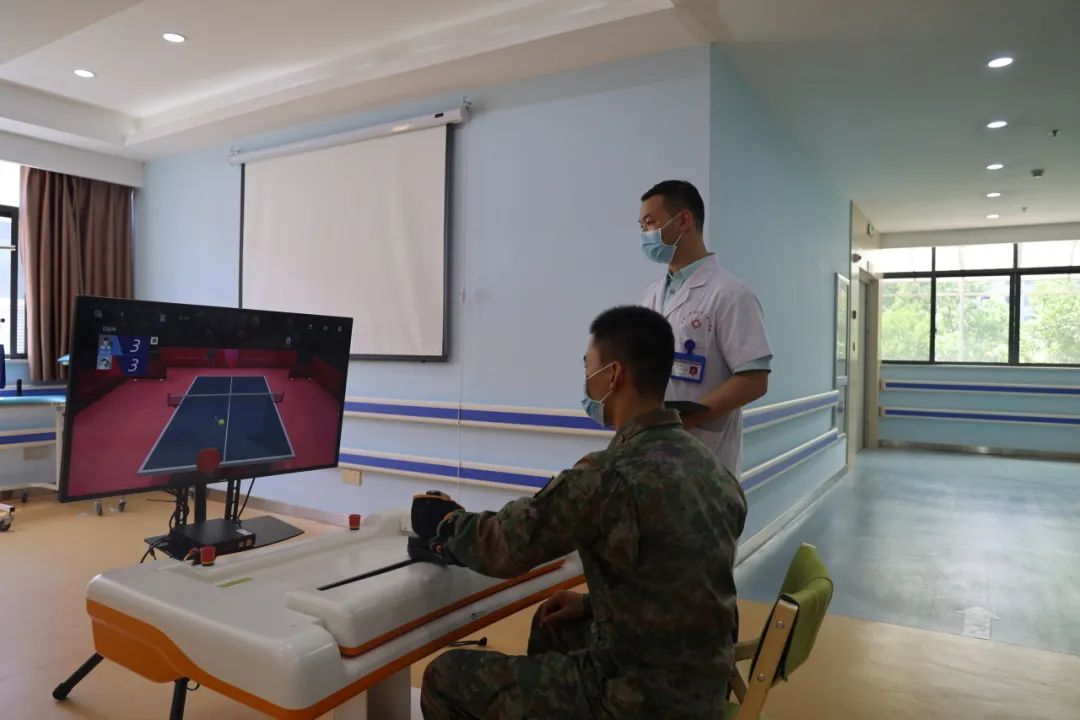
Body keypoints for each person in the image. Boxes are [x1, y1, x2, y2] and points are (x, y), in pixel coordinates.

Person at [417, 305, 747, 720]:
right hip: (704, 685)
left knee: (445, 676)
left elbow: (506, 547)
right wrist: (593, 605)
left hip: (635, 699)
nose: (587, 379)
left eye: (588, 366)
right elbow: (682, 580)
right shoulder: (712, 467)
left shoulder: (610, 475)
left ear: (613, 375)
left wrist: (446, 523)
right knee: (552, 623)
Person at [639, 180, 772, 478]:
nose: (645, 233)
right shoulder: (650, 296)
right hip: (651, 455)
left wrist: (682, 420)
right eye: (642, 226)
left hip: (706, 458)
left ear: (684, 220)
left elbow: (754, 380)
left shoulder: (731, 294)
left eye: (650, 223)